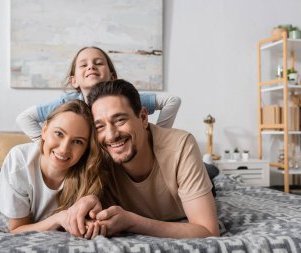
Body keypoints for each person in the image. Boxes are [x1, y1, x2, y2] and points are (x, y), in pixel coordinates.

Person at [65, 79, 220, 239]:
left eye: (120, 120)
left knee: (210, 173)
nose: (111, 135)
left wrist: (132, 222)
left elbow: (208, 231)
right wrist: (87, 199)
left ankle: (208, 167)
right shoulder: (98, 155)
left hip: (187, 178)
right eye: (100, 126)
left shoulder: (181, 145)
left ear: (143, 117)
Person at [0, 100, 110, 238]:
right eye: (59, 134)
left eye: (78, 141)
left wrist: (90, 222)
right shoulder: (19, 161)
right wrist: (58, 218)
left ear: (85, 149)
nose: (64, 149)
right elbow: (16, 229)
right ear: (44, 130)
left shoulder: (90, 170)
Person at [16, 46, 181, 142]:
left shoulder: (125, 99)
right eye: (83, 65)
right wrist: (43, 145)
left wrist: (158, 139)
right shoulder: (66, 104)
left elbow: (172, 100)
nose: (91, 67)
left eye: (99, 63)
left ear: (113, 76)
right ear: (74, 81)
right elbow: (24, 118)